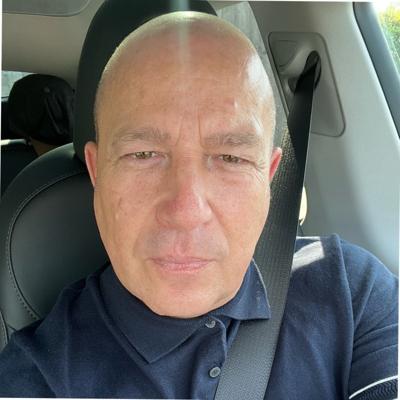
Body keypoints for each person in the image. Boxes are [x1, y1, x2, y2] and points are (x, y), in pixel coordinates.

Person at [0, 12, 397, 400]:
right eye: (143, 154)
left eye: (231, 158)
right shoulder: (37, 378)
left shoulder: (352, 292)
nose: (187, 211)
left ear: (269, 177)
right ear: (96, 170)